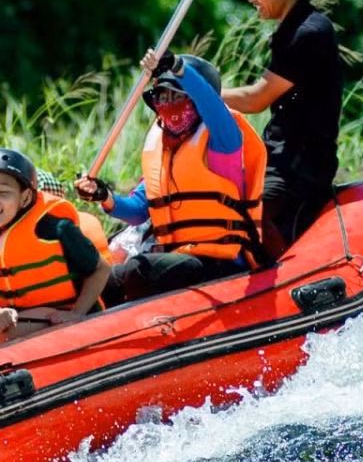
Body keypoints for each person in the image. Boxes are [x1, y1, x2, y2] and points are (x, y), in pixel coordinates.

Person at [143, 0, 340, 256]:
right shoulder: (290, 30)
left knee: (252, 214)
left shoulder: (309, 32)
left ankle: (275, 279)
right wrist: (182, 88)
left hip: (302, 164)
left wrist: (194, 93)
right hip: (279, 154)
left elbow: (256, 98)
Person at [74, 54, 266, 305]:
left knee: (139, 270)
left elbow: (212, 105)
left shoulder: (222, 140)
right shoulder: (162, 151)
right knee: (101, 282)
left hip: (221, 259)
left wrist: (178, 67)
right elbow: (137, 212)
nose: (168, 103)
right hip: (178, 256)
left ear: (196, 100)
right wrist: (105, 197)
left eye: (177, 96)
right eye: (162, 96)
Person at [0, 149, 109, 366]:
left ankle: (5, 395)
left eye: (3, 193)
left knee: (8, 333)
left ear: (25, 197)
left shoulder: (55, 228)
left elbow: (101, 269)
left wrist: (78, 312)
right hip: (8, 313)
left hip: (61, 314)